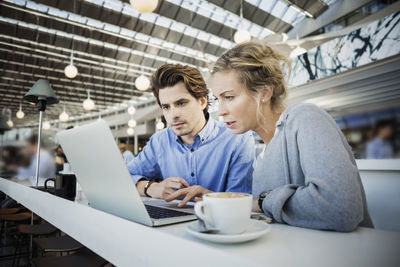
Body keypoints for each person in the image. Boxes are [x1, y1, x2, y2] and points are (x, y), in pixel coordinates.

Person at [210, 41, 373, 232]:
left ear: (264, 92)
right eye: (217, 99)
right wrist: (219, 199)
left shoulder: (305, 117)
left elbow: (342, 208)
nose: (220, 111)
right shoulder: (263, 155)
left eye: (229, 97)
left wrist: (262, 202)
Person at [127, 64, 254, 207]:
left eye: (181, 103)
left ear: (202, 101)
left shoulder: (237, 139)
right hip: (168, 225)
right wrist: (150, 187)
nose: (173, 115)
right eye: (166, 107)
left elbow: (241, 202)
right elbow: (123, 177)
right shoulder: (159, 141)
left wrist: (210, 197)